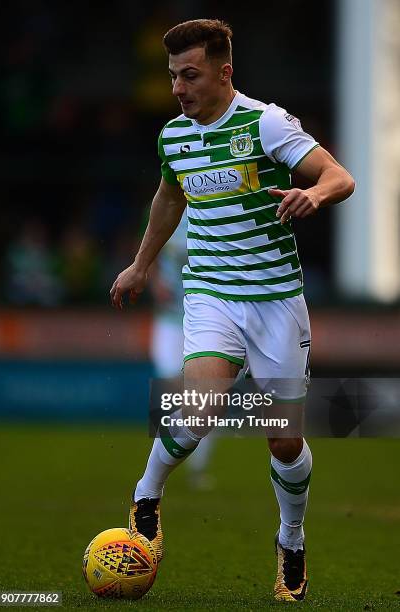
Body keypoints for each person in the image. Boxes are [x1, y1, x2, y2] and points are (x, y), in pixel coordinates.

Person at [110, 19, 355, 602]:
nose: (178, 87)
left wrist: (313, 193)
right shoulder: (174, 136)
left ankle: (291, 537)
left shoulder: (265, 122)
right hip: (211, 294)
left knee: (283, 441)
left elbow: (339, 176)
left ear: (225, 73)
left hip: (276, 304)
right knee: (198, 408)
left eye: (189, 75)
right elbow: (170, 195)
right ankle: (146, 497)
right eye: (173, 76)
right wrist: (141, 264)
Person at [149, 211, 217, 491]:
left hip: (206, 319)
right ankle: (160, 471)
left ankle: (197, 467)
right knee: (171, 389)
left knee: (207, 396)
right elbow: (148, 245)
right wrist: (154, 281)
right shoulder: (165, 204)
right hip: (169, 319)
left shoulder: (217, 205)